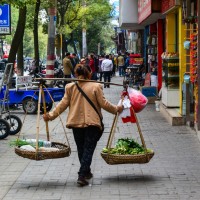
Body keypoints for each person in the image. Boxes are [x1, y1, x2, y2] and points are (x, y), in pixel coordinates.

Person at [43, 64, 124, 187]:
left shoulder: (70, 87)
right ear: (89, 73)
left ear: (76, 74)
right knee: (88, 149)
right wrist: (117, 109)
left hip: (76, 123)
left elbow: (62, 105)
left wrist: (50, 115)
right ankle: (82, 175)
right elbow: (104, 104)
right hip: (92, 124)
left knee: (82, 149)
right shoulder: (95, 86)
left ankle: (86, 172)